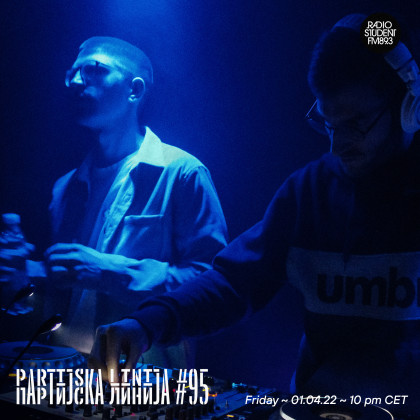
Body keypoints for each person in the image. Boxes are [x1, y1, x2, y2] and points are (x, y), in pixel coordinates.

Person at [88, 15, 420, 417]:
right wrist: (146, 324)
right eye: (328, 123)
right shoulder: (308, 193)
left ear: (409, 105)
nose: (338, 145)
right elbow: (234, 283)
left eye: (356, 124)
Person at [0, 36, 228, 367]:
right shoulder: (65, 188)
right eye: (71, 73)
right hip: (68, 376)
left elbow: (212, 286)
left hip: (148, 381)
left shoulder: (182, 173)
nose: (75, 82)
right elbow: (67, 303)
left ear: (134, 90)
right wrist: (23, 281)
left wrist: (109, 272)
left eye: (93, 70)